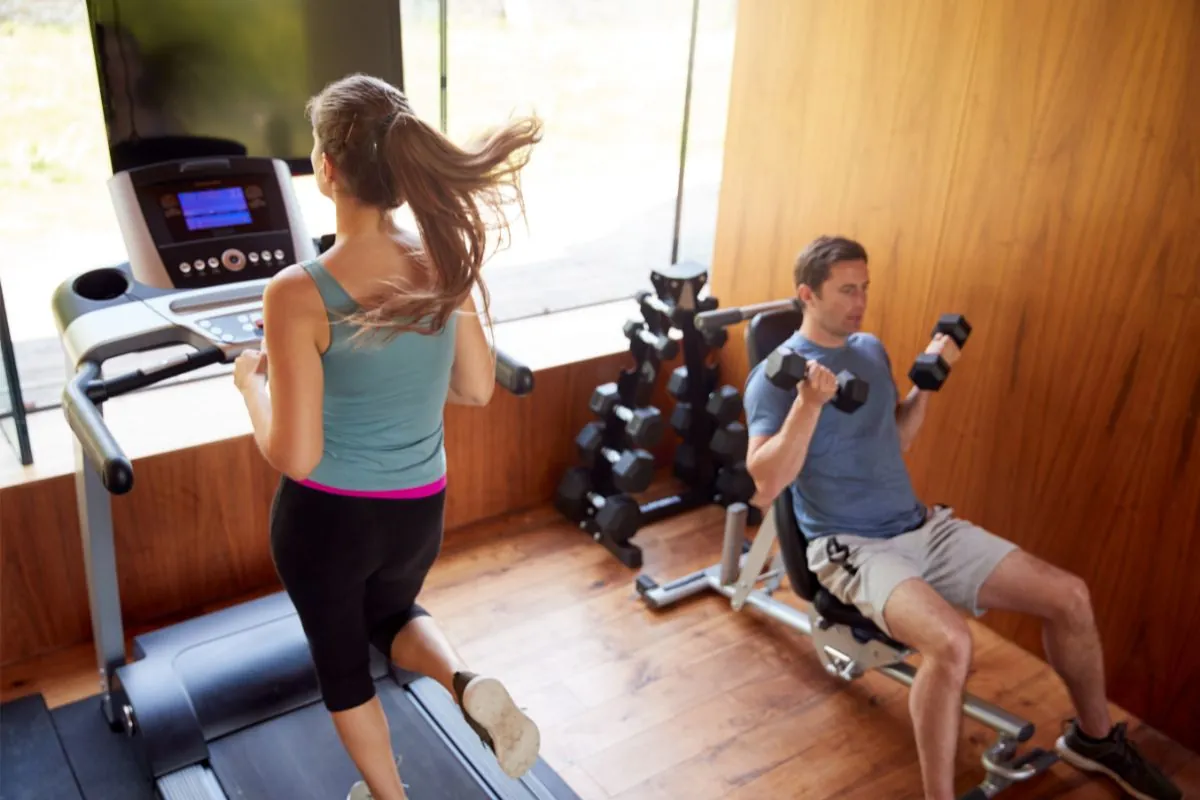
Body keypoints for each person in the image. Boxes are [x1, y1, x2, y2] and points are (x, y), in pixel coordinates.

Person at [742, 235, 1181, 800]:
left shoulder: (869, 350)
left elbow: (892, 439)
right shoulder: (773, 383)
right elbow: (765, 483)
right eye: (847, 290)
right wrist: (807, 405)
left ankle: (1095, 741)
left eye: (865, 288)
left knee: (1070, 596)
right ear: (807, 294)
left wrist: (925, 387)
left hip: (921, 525)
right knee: (952, 645)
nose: (861, 301)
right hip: (849, 545)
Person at [232, 73, 543, 800]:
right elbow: (474, 387)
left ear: (327, 170)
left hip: (327, 518)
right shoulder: (444, 258)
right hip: (419, 508)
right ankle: (464, 681)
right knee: (392, 615)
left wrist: (254, 389)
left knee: (344, 672)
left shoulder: (296, 291)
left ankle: (389, 797)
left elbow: (295, 455)